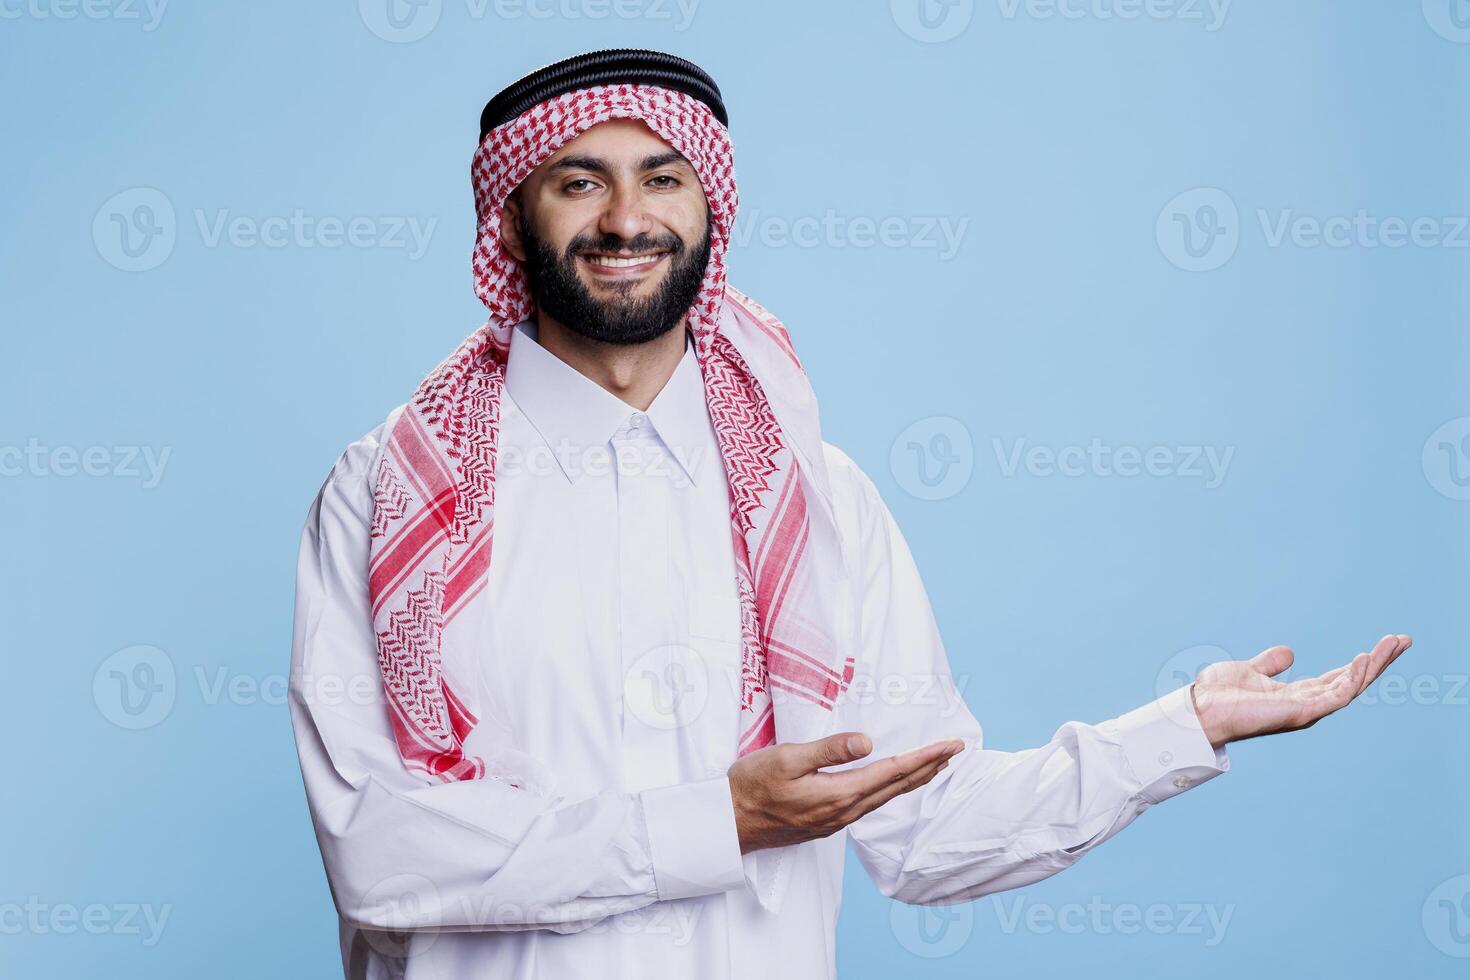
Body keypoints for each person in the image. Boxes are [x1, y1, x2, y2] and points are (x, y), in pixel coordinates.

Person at [288, 48, 1412, 980]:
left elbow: (925, 824)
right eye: (579, 180)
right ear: (514, 213)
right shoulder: (389, 494)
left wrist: (1182, 726)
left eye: (664, 178)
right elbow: (383, 852)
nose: (626, 217)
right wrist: (715, 820)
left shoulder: (815, 498)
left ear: (710, 206)